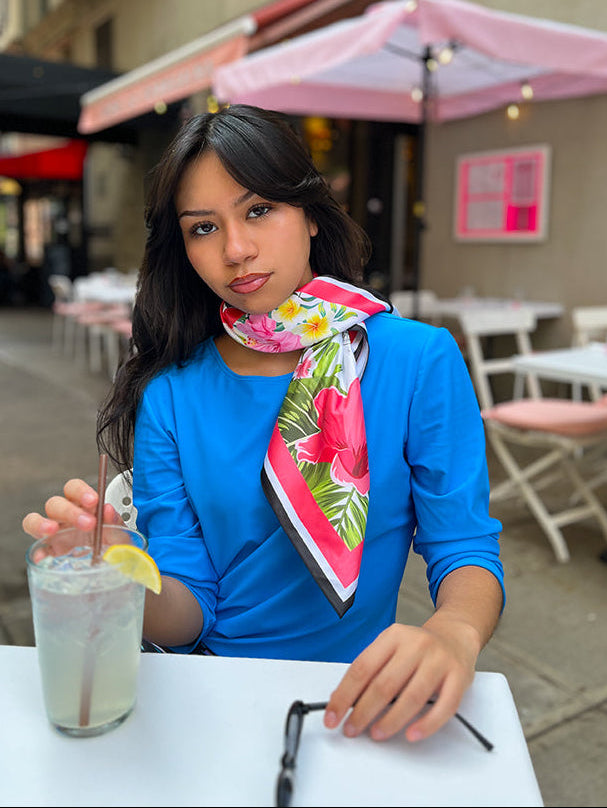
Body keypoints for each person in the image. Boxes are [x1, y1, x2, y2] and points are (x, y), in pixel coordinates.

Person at [22, 104, 504, 745]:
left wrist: (453, 633)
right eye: (202, 228)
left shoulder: (417, 361)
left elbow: (464, 547)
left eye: (257, 210)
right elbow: (189, 611)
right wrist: (120, 568)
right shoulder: (170, 393)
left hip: (359, 699)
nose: (236, 250)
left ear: (308, 211)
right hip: (214, 698)